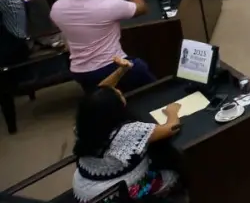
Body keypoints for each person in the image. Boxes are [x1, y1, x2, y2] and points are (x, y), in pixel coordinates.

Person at [71, 57, 181, 201]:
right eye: (118, 95)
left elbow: (99, 94)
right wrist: (172, 111)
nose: (119, 92)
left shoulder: (85, 123)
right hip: (114, 196)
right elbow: (171, 128)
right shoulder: (128, 132)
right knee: (172, 175)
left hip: (85, 191)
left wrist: (122, 70)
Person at [50, 0, 156, 91]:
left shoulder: (58, 7)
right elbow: (141, 8)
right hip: (110, 68)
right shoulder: (109, 5)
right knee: (142, 71)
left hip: (79, 72)